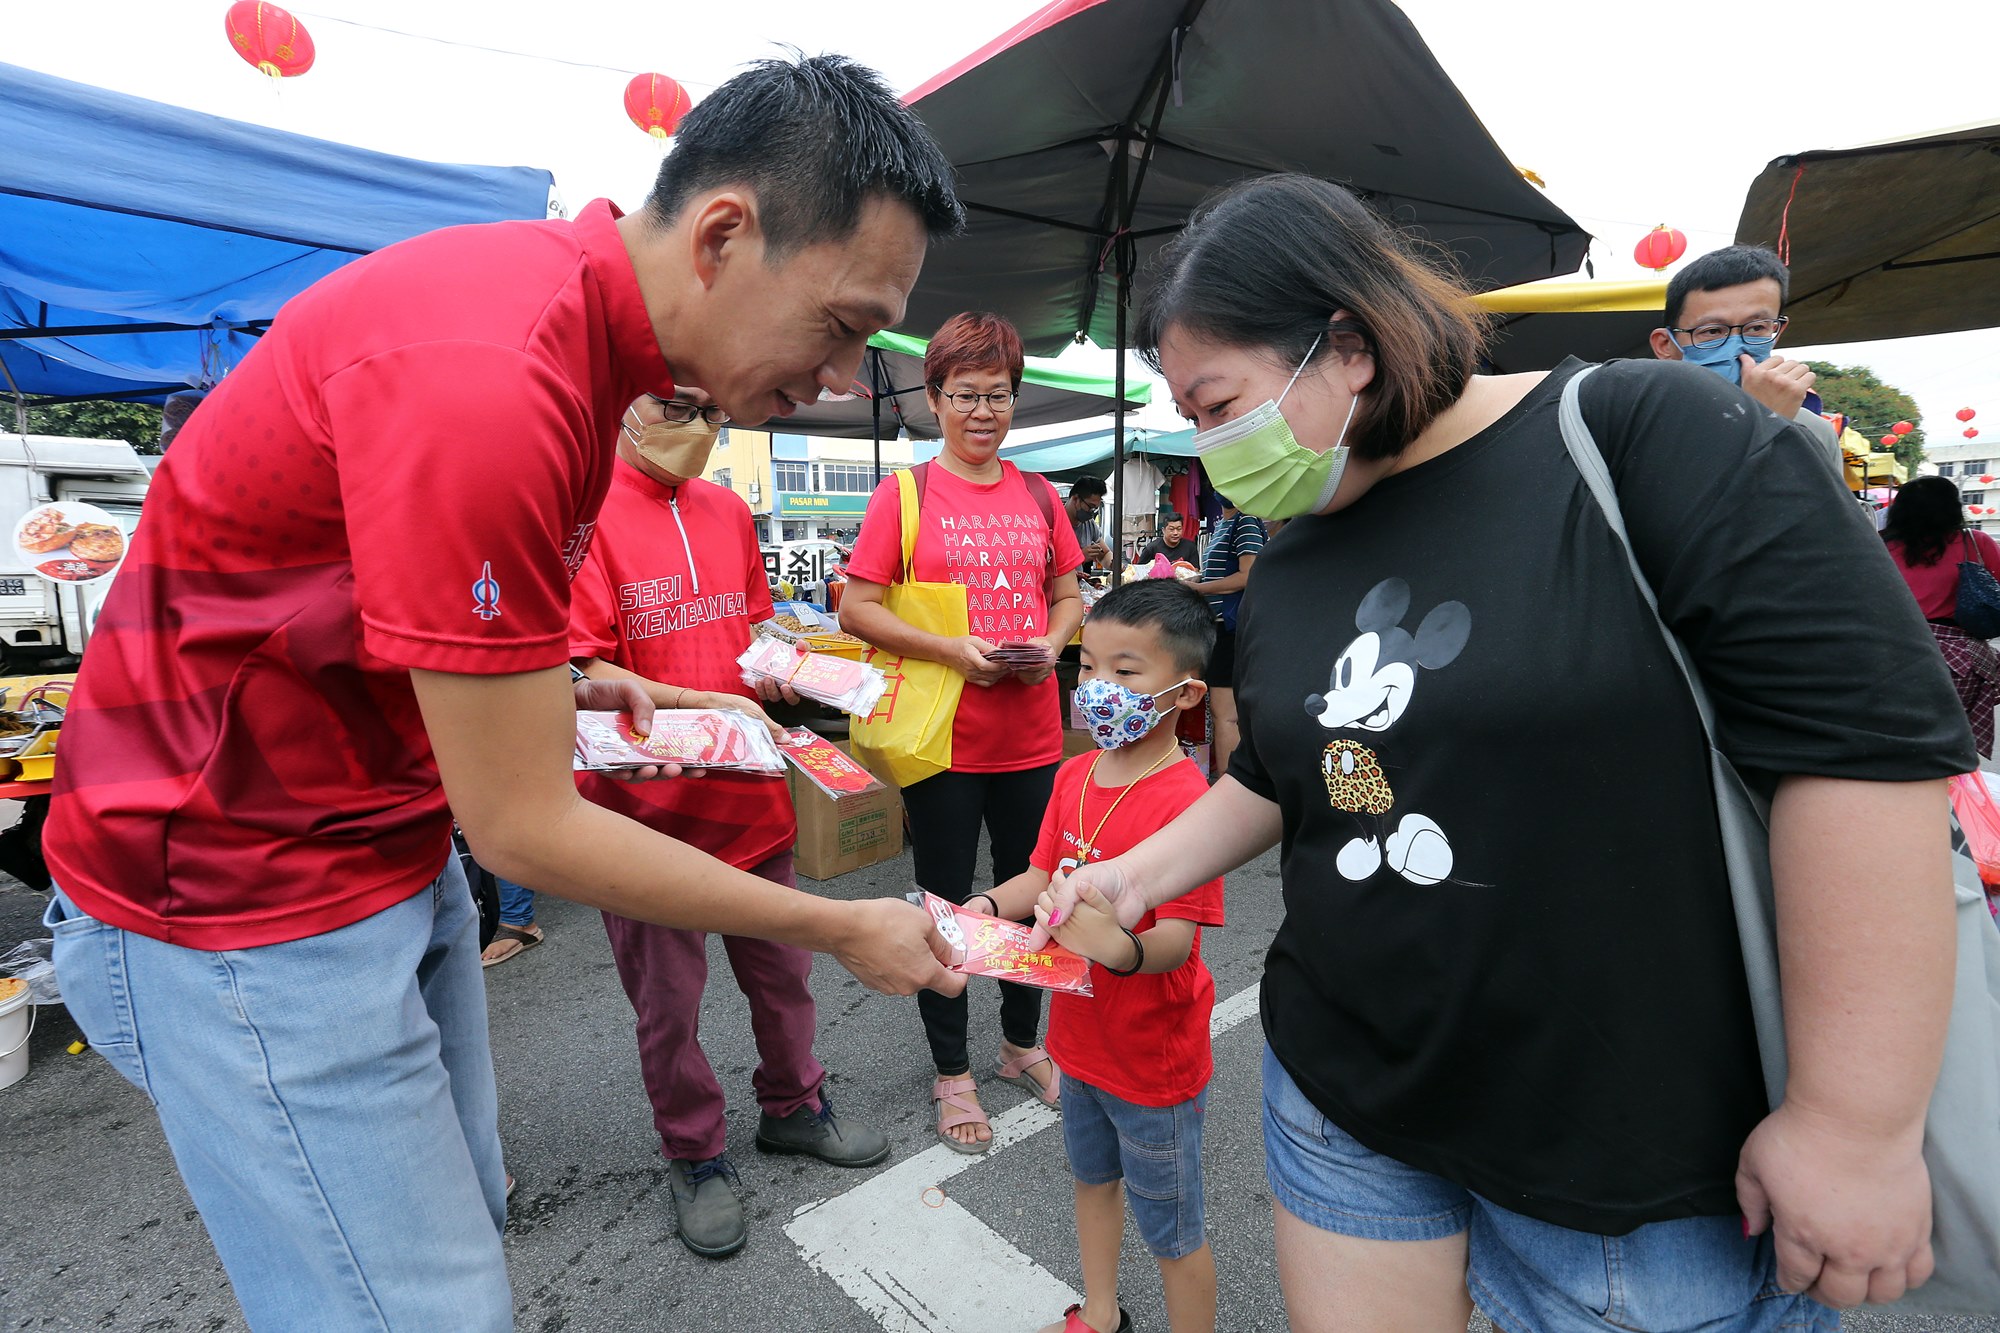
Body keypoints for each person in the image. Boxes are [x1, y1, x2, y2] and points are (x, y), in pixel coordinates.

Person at [40, 55, 967, 1331]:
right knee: (413, 1307)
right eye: (847, 326)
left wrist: (575, 681)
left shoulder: (577, 349)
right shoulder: (497, 375)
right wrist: (841, 925)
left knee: (455, 1234)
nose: (843, 378)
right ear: (722, 234)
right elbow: (525, 829)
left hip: (366, 840)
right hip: (235, 897)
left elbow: (393, 611)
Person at [1041, 173, 1971, 1330]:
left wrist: (1852, 1123)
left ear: (1345, 343)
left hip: (1628, 1152)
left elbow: (1860, 756)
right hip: (1345, 1100)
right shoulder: (1291, 554)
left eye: (1217, 399)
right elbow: (1285, 768)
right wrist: (1130, 878)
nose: (1208, 439)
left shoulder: (1649, 435)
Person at [565, 387, 887, 1257]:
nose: (699, 426)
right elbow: (579, 658)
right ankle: (695, 1153)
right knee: (668, 1006)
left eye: (712, 408)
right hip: (640, 821)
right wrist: (686, 695)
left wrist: (788, 669)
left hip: (749, 800)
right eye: (676, 403)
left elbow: (750, 626)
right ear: (624, 404)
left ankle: (794, 1104)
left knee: (784, 975)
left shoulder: (725, 511)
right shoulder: (582, 515)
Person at [843, 311, 1086, 1152]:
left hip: (1033, 736)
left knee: (1035, 903)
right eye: (966, 394)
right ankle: (953, 1071)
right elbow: (856, 606)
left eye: (1000, 394)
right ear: (934, 396)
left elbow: (1067, 595)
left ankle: (1022, 1044)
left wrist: (1050, 646)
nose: (984, 412)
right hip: (941, 743)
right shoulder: (903, 493)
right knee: (945, 910)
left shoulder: (1037, 492)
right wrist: (951, 648)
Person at [982, 577, 1222, 1333]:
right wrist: (983, 911)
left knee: (1174, 1233)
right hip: (1077, 1046)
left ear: (1186, 693)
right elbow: (1036, 873)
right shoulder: (1072, 773)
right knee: (1091, 1182)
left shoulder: (1192, 803)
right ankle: (1101, 1311)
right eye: (1087, 668)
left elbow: (1177, 942)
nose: (1097, 688)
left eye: (1126, 671)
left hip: (1154, 1063)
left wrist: (1114, 947)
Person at [1649, 244, 1844, 479]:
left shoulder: (1815, 432)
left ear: (1776, 331)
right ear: (1665, 345)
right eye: (1712, 331)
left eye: (1756, 328)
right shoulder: (1640, 425)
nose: (1736, 348)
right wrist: (1762, 427)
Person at [1884, 475, 2000, 755]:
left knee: (1892, 736)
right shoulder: (1975, 542)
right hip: (1961, 662)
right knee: (1947, 746)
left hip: (1891, 652)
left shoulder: (1879, 546)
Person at [1186, 496, 1264, 776]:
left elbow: (1248, 575)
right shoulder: (1224, 524)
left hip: (1232, 628)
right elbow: (1219, 572)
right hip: (1219, 626)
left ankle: (1228, 785)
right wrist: (1197, 580)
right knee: (1227, 716)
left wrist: (1201, 590)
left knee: (1227, 716)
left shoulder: (1246, 520)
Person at [1067, 474, 1111, 570]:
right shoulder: (1055, 524)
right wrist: (1080, 557)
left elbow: (1105, 554)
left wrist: (1113, 564)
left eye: (1095, 509)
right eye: (1090, 507)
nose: (1092, 513)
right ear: (1075, 499)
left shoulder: (1089, 524)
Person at [1134, 511, 1199, 566]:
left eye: (1179, 529)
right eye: (1171, 529)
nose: (1175, 533)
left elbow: (1196, 571)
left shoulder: (1191, 547)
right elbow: (1140, 571)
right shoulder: (1151, 548)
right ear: (1163, 530)